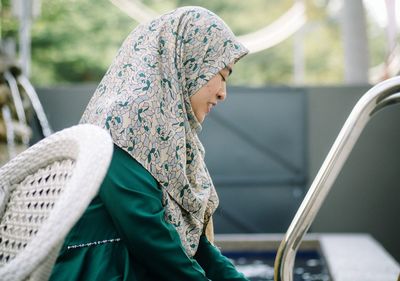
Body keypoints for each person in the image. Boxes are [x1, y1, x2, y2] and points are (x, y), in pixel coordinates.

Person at [49, 6, 249, 281]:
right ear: (189, 59)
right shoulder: (122, 121)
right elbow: (149, 235)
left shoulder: (169, 133)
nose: (223, 93)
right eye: (223, 74)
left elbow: (192, 244)